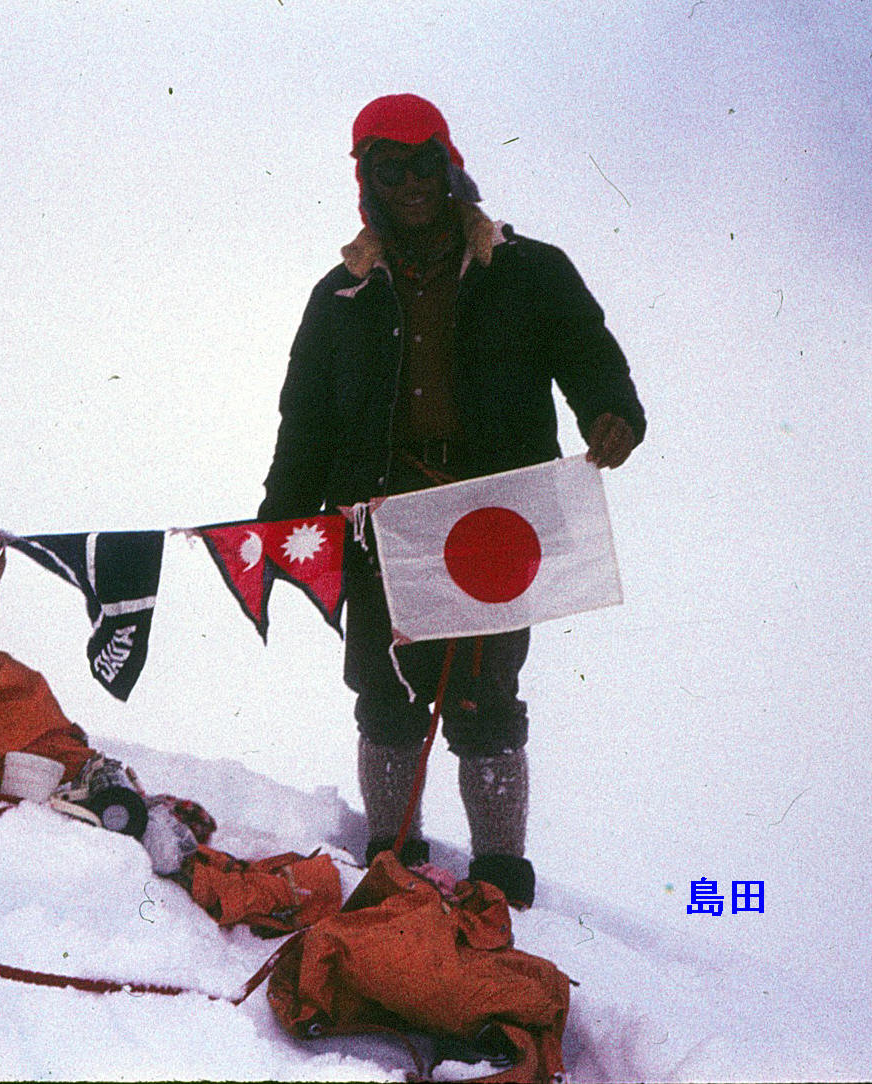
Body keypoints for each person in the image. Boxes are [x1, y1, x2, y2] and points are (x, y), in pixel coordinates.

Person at [258, 93, 645, 907]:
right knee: (385, 682)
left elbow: (587, 351)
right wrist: (280, 520)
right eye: (389, 169)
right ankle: (391, 848)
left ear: (451, 164)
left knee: (485, 687)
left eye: (423, 164)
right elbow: (308, 417)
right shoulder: (340, 296)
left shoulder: (531, 269)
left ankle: (499, 870)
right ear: (366, 181)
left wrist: (613, 411)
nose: (410, 184)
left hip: (497, 512)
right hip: (380, 513)